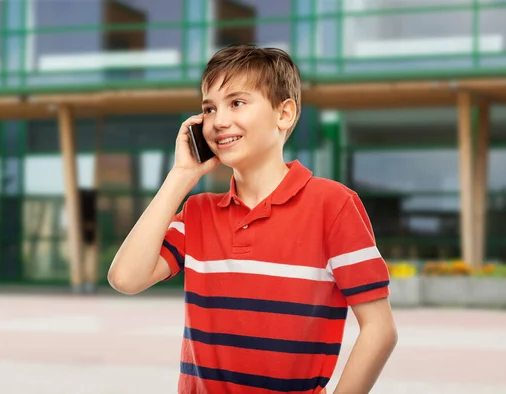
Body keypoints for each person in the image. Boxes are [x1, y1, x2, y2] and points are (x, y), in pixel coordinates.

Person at [108, 44, 398, 394]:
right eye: (209, 108)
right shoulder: (198, 213)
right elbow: (126, 278)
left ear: (284, 114)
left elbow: (380, 330)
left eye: (237, 103)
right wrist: (182, 175)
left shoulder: (333, 205)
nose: (219, 121)